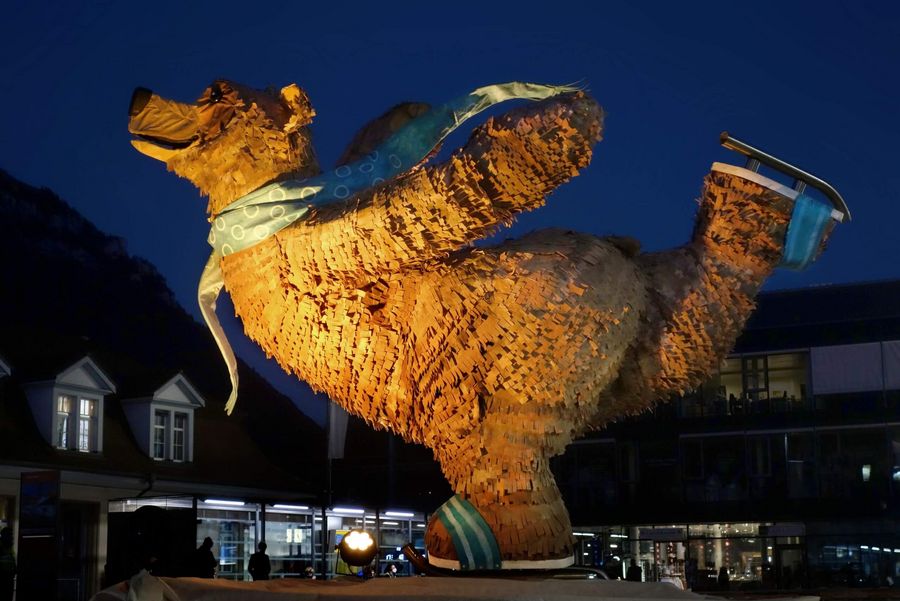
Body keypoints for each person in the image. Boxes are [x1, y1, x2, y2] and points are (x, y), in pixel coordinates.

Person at [0, 527, 15, 601]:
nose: (12, 538)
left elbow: (12, 562)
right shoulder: (1, 547)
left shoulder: (10, 548)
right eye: (11, 535)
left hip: (9, 579)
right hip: (3, 579)